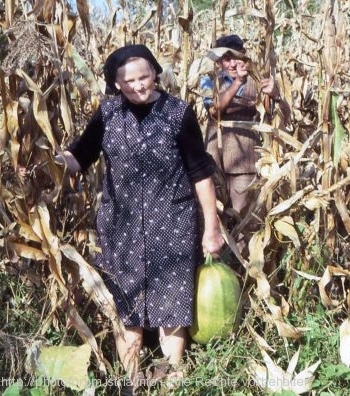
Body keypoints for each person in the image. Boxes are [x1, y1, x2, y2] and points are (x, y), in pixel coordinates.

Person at [58, 44, 224, 391]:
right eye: (128, 80)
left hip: (174, 223)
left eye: (144, 77)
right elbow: (81, 154)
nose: (137, 85)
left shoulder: (178, 113)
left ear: (155, 74)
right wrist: (54, 161)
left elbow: (200, 172)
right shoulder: (107, 114)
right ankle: (130, 383)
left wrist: (211, 228)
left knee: (173, 304)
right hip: (121, 228)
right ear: (116, 83)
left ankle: (172, 380)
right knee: (125, 306)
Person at [200, 34, 291, 232]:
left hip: (246, 162)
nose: (231, 64)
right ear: (219, 61)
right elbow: (215, 111)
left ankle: (243, 262)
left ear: (244, 56)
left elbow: (286, 116)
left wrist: (277, 96)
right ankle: (216, 261)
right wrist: (237, 83)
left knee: (244, 221)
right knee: (214, 219)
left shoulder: (260, 80)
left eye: (235, 57)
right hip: (214, 159)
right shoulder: (209, 81)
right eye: (225, 59)